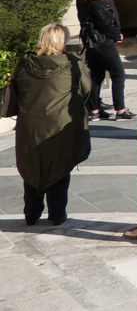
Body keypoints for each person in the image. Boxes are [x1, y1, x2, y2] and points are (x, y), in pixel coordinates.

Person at [6, 24, 91, 227]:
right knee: (60, 168)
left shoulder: (24, 63)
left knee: (32, 168)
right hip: (60, 126)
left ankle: (31, 213)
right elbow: (86, 90)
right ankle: (57, 214)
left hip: (30, 126)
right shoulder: (72, 63)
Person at [77, 0, 133, 121]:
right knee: (118, 73)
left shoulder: (84, 0)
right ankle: (120, 110)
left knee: (96, 75)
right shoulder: (97, 5)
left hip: (92, 43)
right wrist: (117, 35)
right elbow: (106, 24)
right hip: (102, 42)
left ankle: (94, 109)